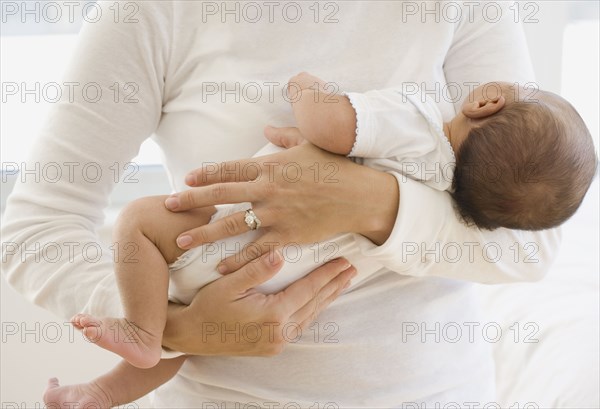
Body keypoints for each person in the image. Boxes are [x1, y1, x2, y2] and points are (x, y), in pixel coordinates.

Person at [1, 2, 566, 407]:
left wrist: (371, 205)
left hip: (435, 393)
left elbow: (529, 238)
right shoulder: (150, 15)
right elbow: (35, 227)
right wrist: (176, 325)